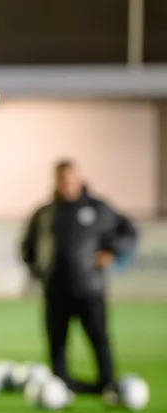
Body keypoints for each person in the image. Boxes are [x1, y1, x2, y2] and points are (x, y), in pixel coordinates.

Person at [20, 159, 137, 396]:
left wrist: (112, 251)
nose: (67, 184)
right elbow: (27, 246)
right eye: (62, 179)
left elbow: (128, 231)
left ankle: (106, 384)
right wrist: (37, 269)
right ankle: (61, 385)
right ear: (55, 181)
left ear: (79, 179)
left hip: (90, 288)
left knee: (98, 337)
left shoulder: (99, 208)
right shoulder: (45, 213)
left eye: (71, 178)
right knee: (57, 341)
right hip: (55, 289)